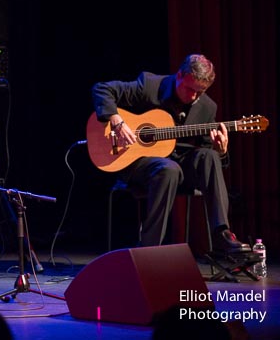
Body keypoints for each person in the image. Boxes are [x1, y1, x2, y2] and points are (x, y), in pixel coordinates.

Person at [91, 54, 250, 252]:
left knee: (207, 157)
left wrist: (221, 151)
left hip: (180, 167)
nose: (194, 97)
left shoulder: (207, 107)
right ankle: (149, 249)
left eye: (200, 92)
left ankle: (222, 233)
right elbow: (102, 89)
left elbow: (207, 158)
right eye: (190, 89)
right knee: (168, 169)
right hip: (139, 163)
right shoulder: (149, 85)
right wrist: (116, 120)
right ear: (180, 75)